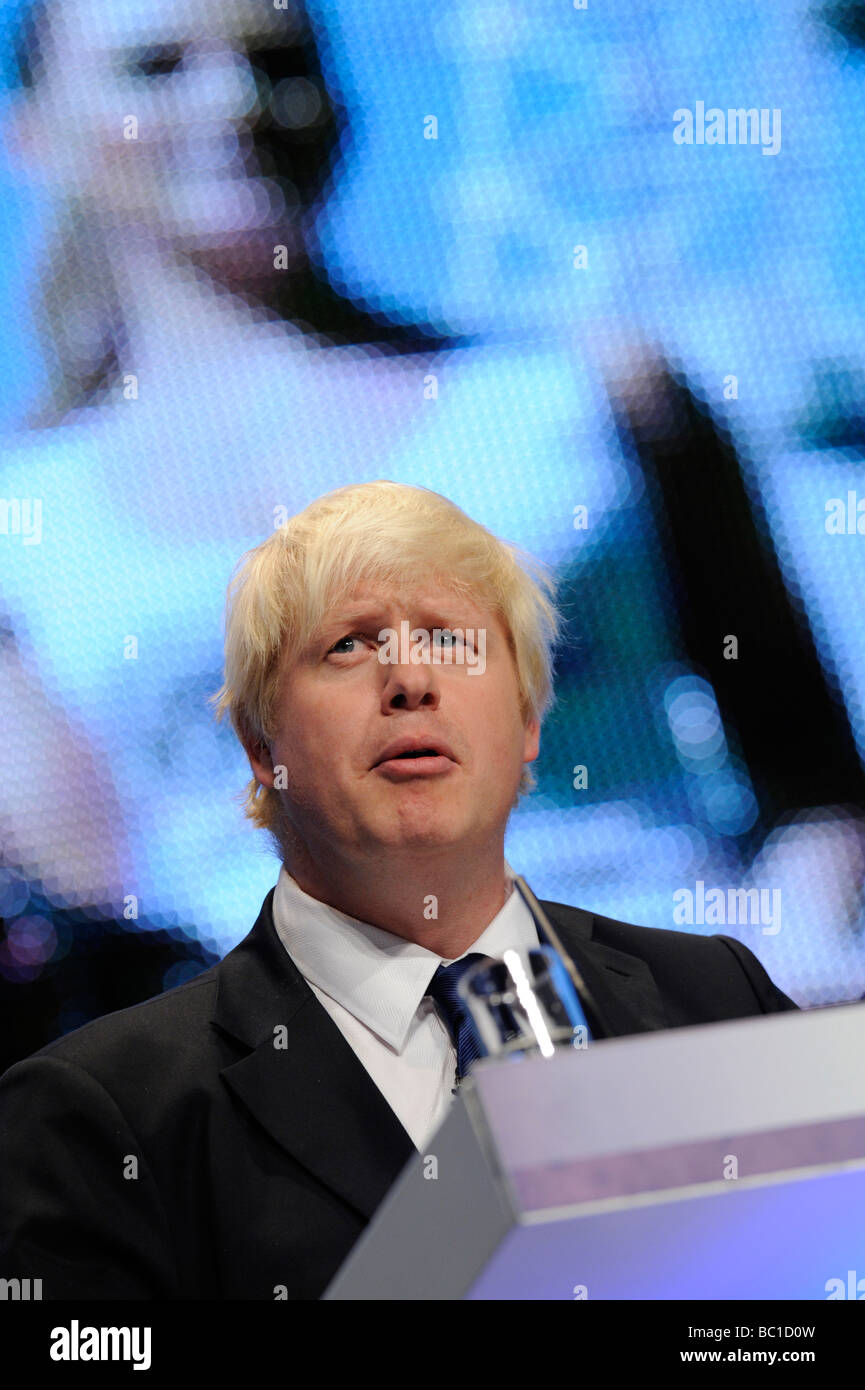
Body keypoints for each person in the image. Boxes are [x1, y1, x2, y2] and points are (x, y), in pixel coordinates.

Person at [0, 481, 799, 1300]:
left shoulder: (720, 994)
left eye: (452, 643)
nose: (410, 682)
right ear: (258, 747)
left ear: (526, 720)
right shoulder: (101, 1111)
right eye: (345, 647)